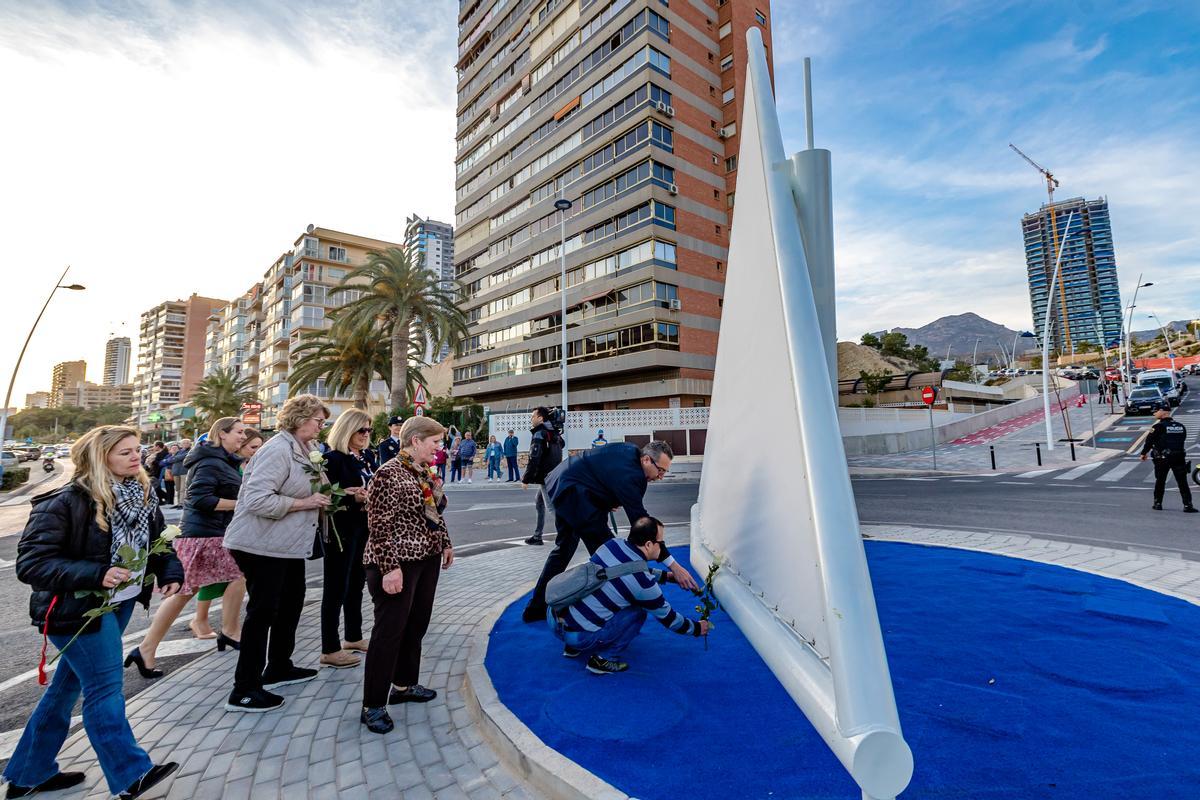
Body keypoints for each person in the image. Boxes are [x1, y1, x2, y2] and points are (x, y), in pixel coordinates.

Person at [7, 425, 181, 799]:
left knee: (63, 692)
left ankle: (27, 774)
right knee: (104, 689)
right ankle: (131, 774)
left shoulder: (142, 495)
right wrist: (97, 573)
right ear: (100, 459)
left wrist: (170, 572)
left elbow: (159, 544)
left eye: (137, 449)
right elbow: (32, 565)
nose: (137, 457)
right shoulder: (66, 501)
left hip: (118, 605)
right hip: (78, 610)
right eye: (125, 452)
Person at [222, 394, 331, 712]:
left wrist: (340, 494)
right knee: (262, 613)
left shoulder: (307, 449)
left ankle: (279, 667)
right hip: (260, 545)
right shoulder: (277, 450)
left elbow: (319, 488)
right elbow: (256, 500)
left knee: (291, 603)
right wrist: (305, 503)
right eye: (318, 420)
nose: (321, 426)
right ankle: (244, 689)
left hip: (287, 546)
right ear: (299, 418)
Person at [522, 441, 698, 623]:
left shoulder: (630, 451)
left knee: (564, 550)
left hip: (563, 484)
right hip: (575, 493)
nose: (661, 476)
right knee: (610, 555)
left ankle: (535, 609)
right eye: (660, 470)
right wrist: (674, 567)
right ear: (646, 460)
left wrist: (606, 500)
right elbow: (643, 526)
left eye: (664, 472)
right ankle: (591, 614)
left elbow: (600, 472)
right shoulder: (633, 475)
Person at [126, 418, 248, 678]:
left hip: (214, 533)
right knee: (186, 590)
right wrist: (242, 503)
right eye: (238, 432)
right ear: (221, 434)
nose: (242, 436)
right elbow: (199, 499)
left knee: (231, 579)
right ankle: (148, 647)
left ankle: (229, 630)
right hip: (202, 535)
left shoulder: (223, 460)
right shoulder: (209, 462)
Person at [360, 416, 454, 734]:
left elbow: (434, 513)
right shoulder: (388, 473)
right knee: (389, 633)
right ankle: (372, 705)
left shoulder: (423, 472)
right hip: (395, 562)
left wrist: (446, 542)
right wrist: (389, 568)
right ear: (415, 441)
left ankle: (404, 686)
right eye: (435, 442)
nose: (439, 449)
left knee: (415, 627)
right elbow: (378, 526)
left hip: (425, 559)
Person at [548, 517, 710, 674]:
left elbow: (623, 570)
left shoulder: (612, 545)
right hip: (579, 637)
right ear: (648, 545)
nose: (663, 547)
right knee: (638, 612)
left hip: (554, 616)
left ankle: (572, 647)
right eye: (661, 543)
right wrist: (697, 628)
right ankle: (603, 660)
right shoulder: (644, 584)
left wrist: (666, 576)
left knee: (600, 595)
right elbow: (670, 620)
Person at [189, 426, 264, 640]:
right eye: (252, 446)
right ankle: (209, 623)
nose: (256, 451)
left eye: (260, 447)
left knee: (219, 578)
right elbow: (201, 498)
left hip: (230, 527)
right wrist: (242, 504)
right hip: (214, 529)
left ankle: (223, 627)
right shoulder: (223, 465)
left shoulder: (237, 464)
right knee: (200, 581)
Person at [319, 409, 376, 669]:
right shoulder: (332, 459)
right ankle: (329, 647)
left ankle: (353, 636)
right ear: (347, 430)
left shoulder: (364, 458)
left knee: (356, 583)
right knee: (335, 588)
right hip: (340, 530)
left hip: (362, 527)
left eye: (369, 430)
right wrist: (352, 497)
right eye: (361, 430)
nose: (366, 435)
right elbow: (325, 497)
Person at [1140, 407, 1197, 512]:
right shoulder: (1181, 426)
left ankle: (1157, 503)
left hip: (1163, 459)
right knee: (1182, 482)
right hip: (1179, 457)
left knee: (1160, 481)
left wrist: (1143, 453)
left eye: (1156, 411)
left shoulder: (1158, 427)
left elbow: (1149, 441)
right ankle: (1188, 505)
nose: (1155, 414)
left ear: (1163, 412)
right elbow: (1182, 440)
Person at [522, 407, 563, 546]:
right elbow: (561, 445)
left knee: (551, 508)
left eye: (533, 416)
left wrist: (526, 479)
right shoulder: (554, 433)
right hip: (554, 472)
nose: (531, 418)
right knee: (539, 501)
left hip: (546, 476)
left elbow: (534, 458)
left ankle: (569, 532)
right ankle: (537, 536)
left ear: (540, 418)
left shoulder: (540, 434)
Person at [170, 438, 192, 508]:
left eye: (187, 443)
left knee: (183, 489)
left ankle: (182, 503)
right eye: (183, 443)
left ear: (190, 444)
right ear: (181, 444)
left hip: (184, 472)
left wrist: (174, 457)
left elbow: (178, 458)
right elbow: (171, 459)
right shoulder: (179, 451)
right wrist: (174, 457)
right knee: (178, 489)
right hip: (176, 472)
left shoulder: (190, 451)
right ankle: (179, 503)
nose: (185, 444)